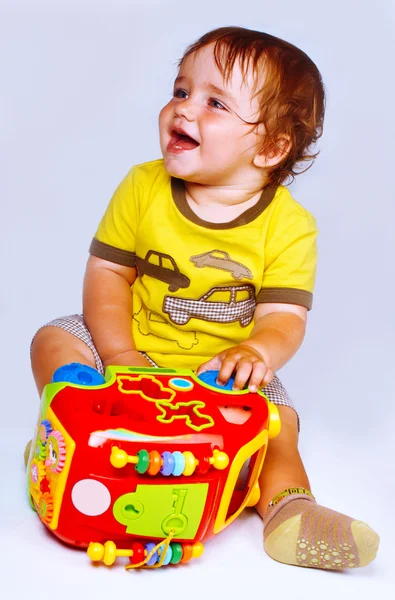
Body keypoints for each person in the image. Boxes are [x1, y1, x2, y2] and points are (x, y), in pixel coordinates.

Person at [30, 26, 379, 570]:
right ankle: (68, 433)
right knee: (53, 338)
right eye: (180, 90)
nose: (183, 109)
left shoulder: (289, 226)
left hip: (217, 377)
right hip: (127, 352)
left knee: (279, 421)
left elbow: (285, 318)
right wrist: (120, 355)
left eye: (214, 102)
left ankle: (290, 510)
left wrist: (257, 353)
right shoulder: (142, 187)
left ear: (271, 146)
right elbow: (106, 275)